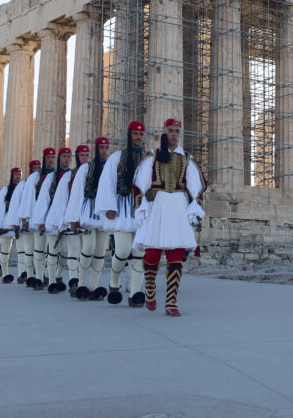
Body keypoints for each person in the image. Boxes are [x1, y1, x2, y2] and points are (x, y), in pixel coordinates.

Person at [132, 118, 207, 316]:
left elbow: (196, 188)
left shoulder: (187, 160)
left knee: (176, 255)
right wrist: (142, 208)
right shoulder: (152, 157)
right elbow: (141, 184)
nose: (174, 134)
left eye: (176, 131)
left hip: (178, 207)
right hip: (157, 206)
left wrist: (195, 211)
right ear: (164, 132)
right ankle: (149, 289)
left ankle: (171, 301)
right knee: (152, 253)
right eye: (170, 130)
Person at [96, 121, 150, 306]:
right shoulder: (116, 157)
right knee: (122, 250)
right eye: (135, 133)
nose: (138, 137)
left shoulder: (149, 159)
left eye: (141, 134)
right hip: (123, 209)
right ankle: (114, 283)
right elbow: (107, 182)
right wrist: (109, 206)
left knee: (139, 253)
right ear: (130, 135)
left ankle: (135, 294)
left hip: (142, 210)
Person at [65, 137, 110, 300]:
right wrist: (73, 218)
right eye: (101, 148)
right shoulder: (86, 169)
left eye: (106, 147)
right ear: (96, 149)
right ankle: (82, 284)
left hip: (104, 214)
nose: (104, 151)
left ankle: (94, 286)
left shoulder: (111, 168)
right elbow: (76, 194)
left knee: (100, 252)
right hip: (88, 212)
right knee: (88, 248)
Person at [34, 146, 74, 294]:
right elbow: (44, 199)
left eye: (69, 156)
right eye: (64, 156)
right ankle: (51, 281)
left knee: (64, 252)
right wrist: (41, 220)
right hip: (52, 218)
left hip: (67, 220)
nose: (67, 159)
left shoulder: (73, 175)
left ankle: (57, 275)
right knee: (52, 250)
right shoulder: (52, 177)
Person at [0, 168, 22, 283]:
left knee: (22, 251)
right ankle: (5, 273)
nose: (18, 176)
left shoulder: (24, 188)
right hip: (7, 223)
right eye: (16, 174)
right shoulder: (5, 190)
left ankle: (22, 274)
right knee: (5, 251)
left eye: (19, 174)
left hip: (20, 224)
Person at [17, 157, 46, 287]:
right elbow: (23, 202)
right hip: (29, 219)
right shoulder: (25, 183)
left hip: (41, 219)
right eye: (34, 168)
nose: (37, 171)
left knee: (41, 249)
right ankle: (29, 276)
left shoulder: (45, 180)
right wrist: (24, 218)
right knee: (29, 249)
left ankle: (41, 274)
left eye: (38, 168)